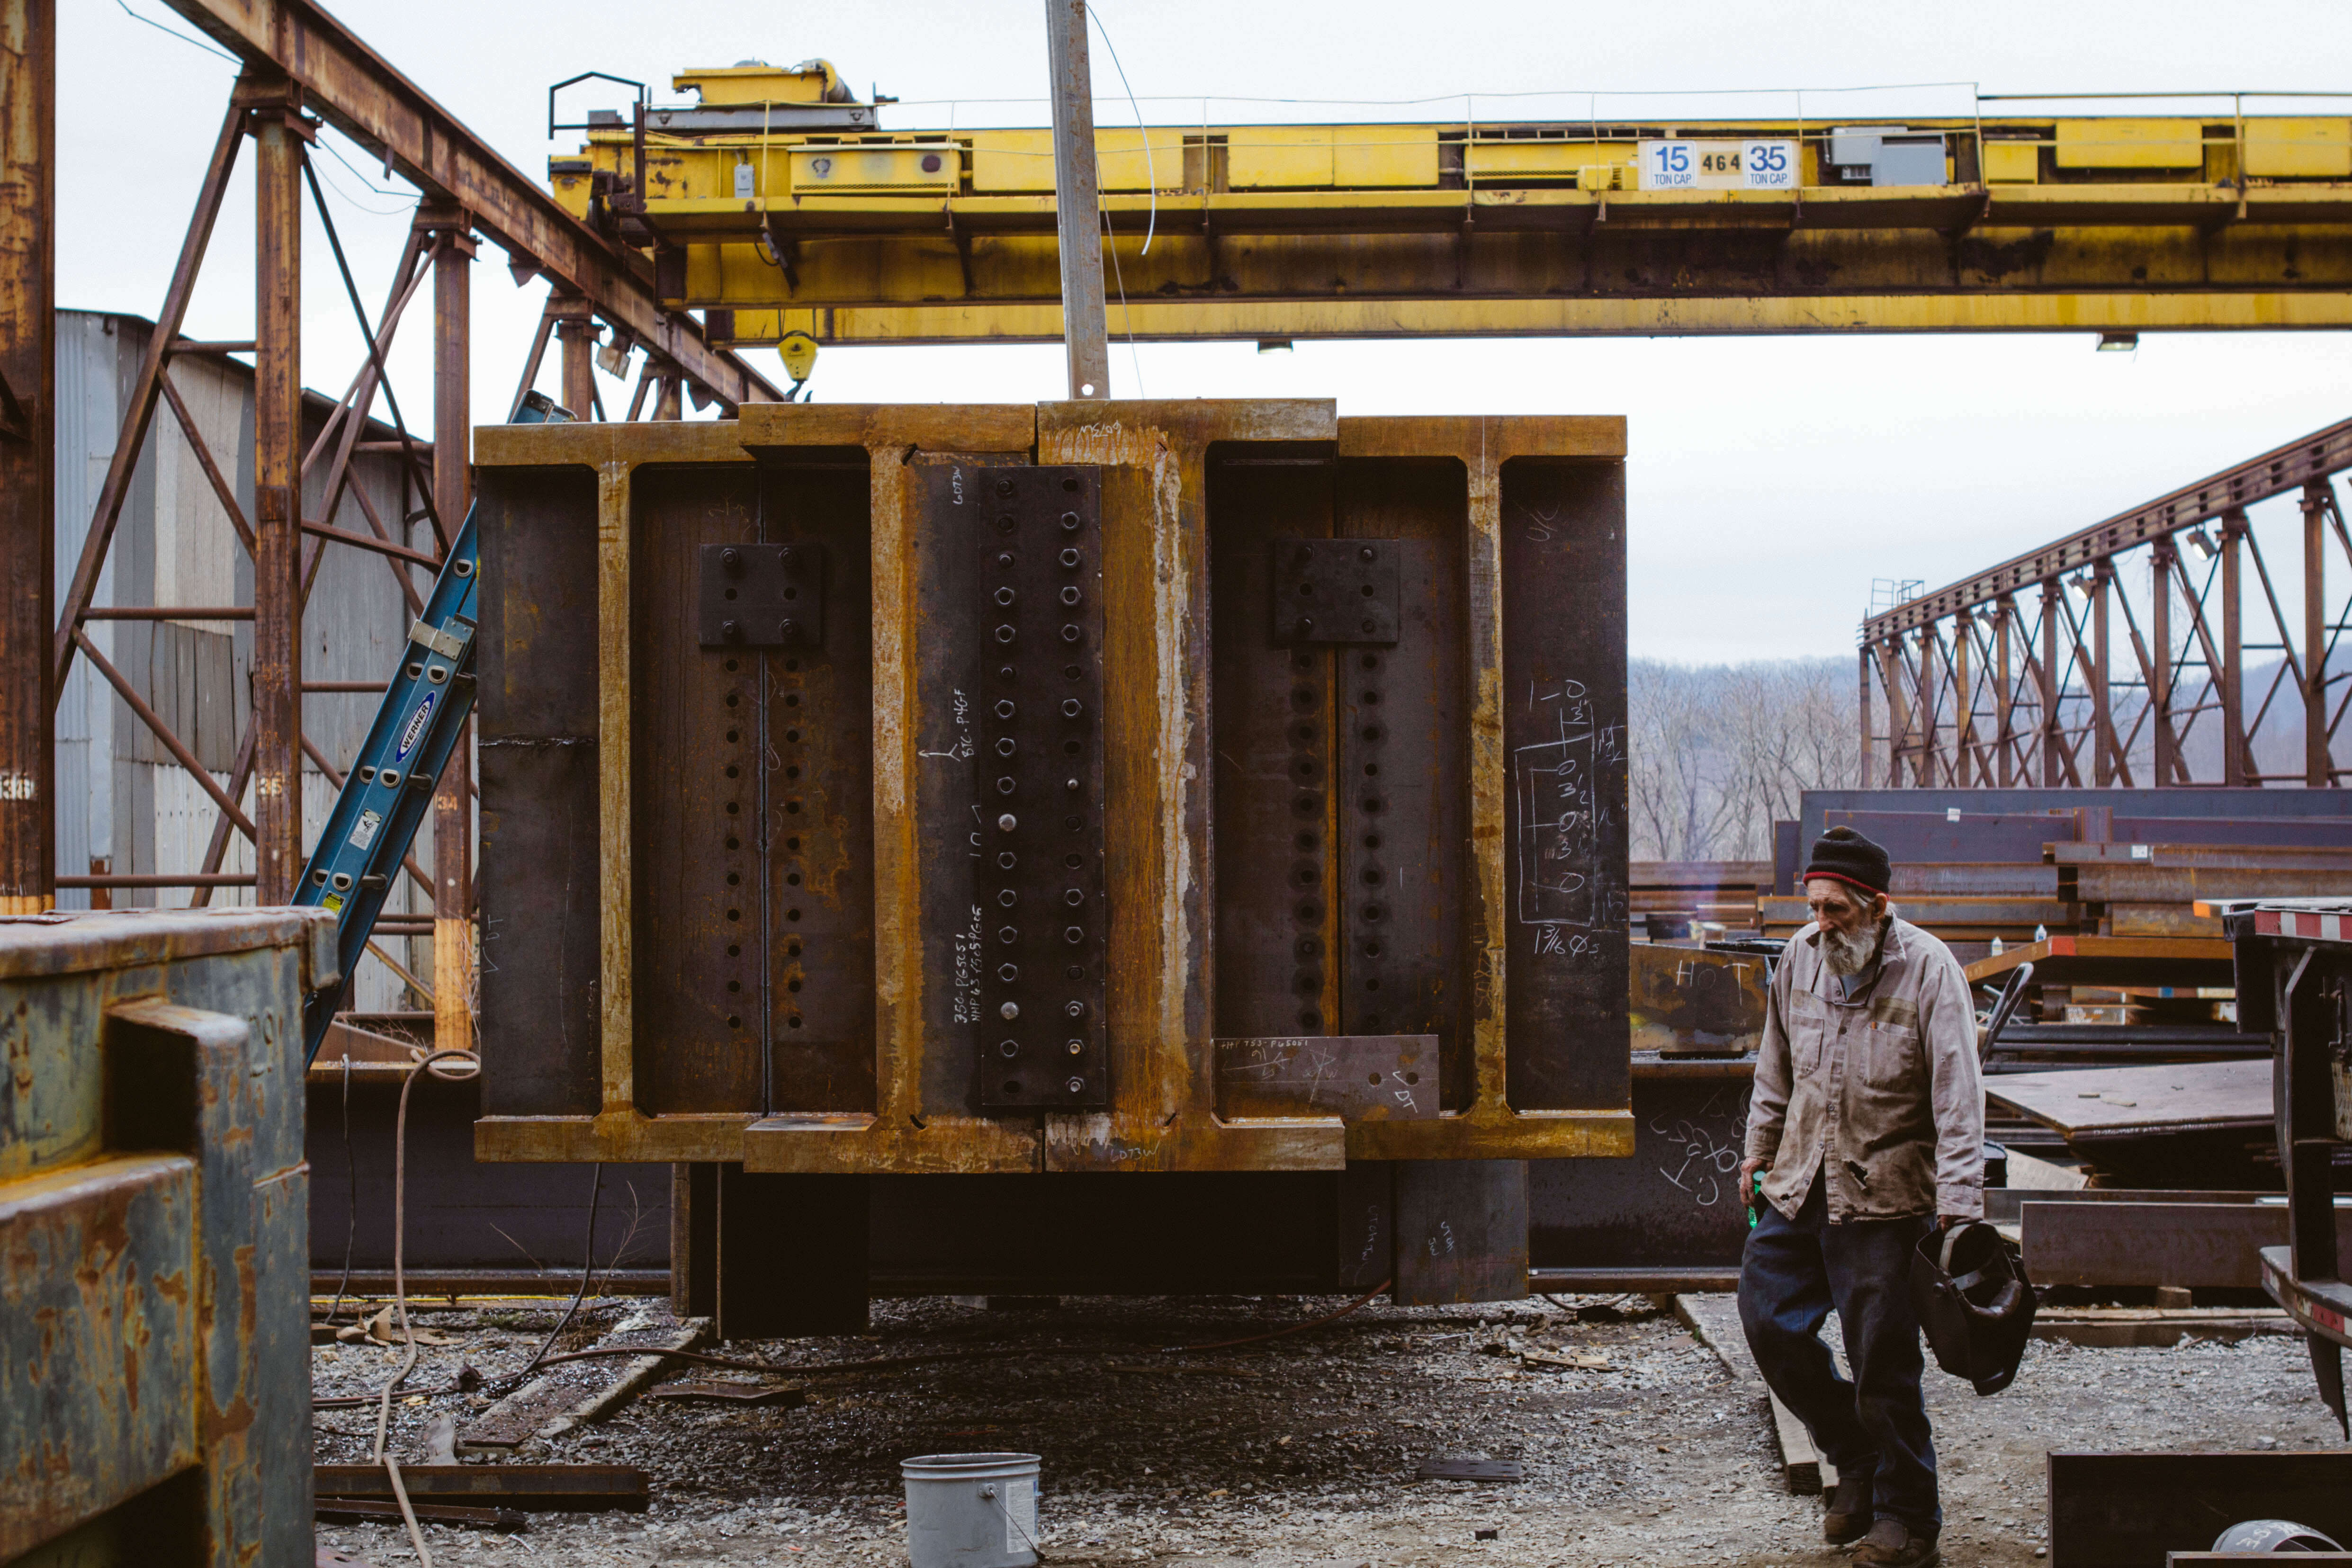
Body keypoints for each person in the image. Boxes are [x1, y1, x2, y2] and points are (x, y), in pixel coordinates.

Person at [1736, 825, 1984, 1568]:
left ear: (1876, 906)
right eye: (1814, 907)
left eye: (1836, 910)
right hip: (1798, 1184)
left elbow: (1958, 1096)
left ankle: (1909, 1520)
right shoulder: (1798, 959)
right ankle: (1856, 1457)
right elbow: (1773, 1068)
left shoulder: (1930, 971)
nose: (1822, 923)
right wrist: (1755, 1154)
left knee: (1882, 1363)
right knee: (1767, 1323)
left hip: (1885, 1200)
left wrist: (1962, 1205)